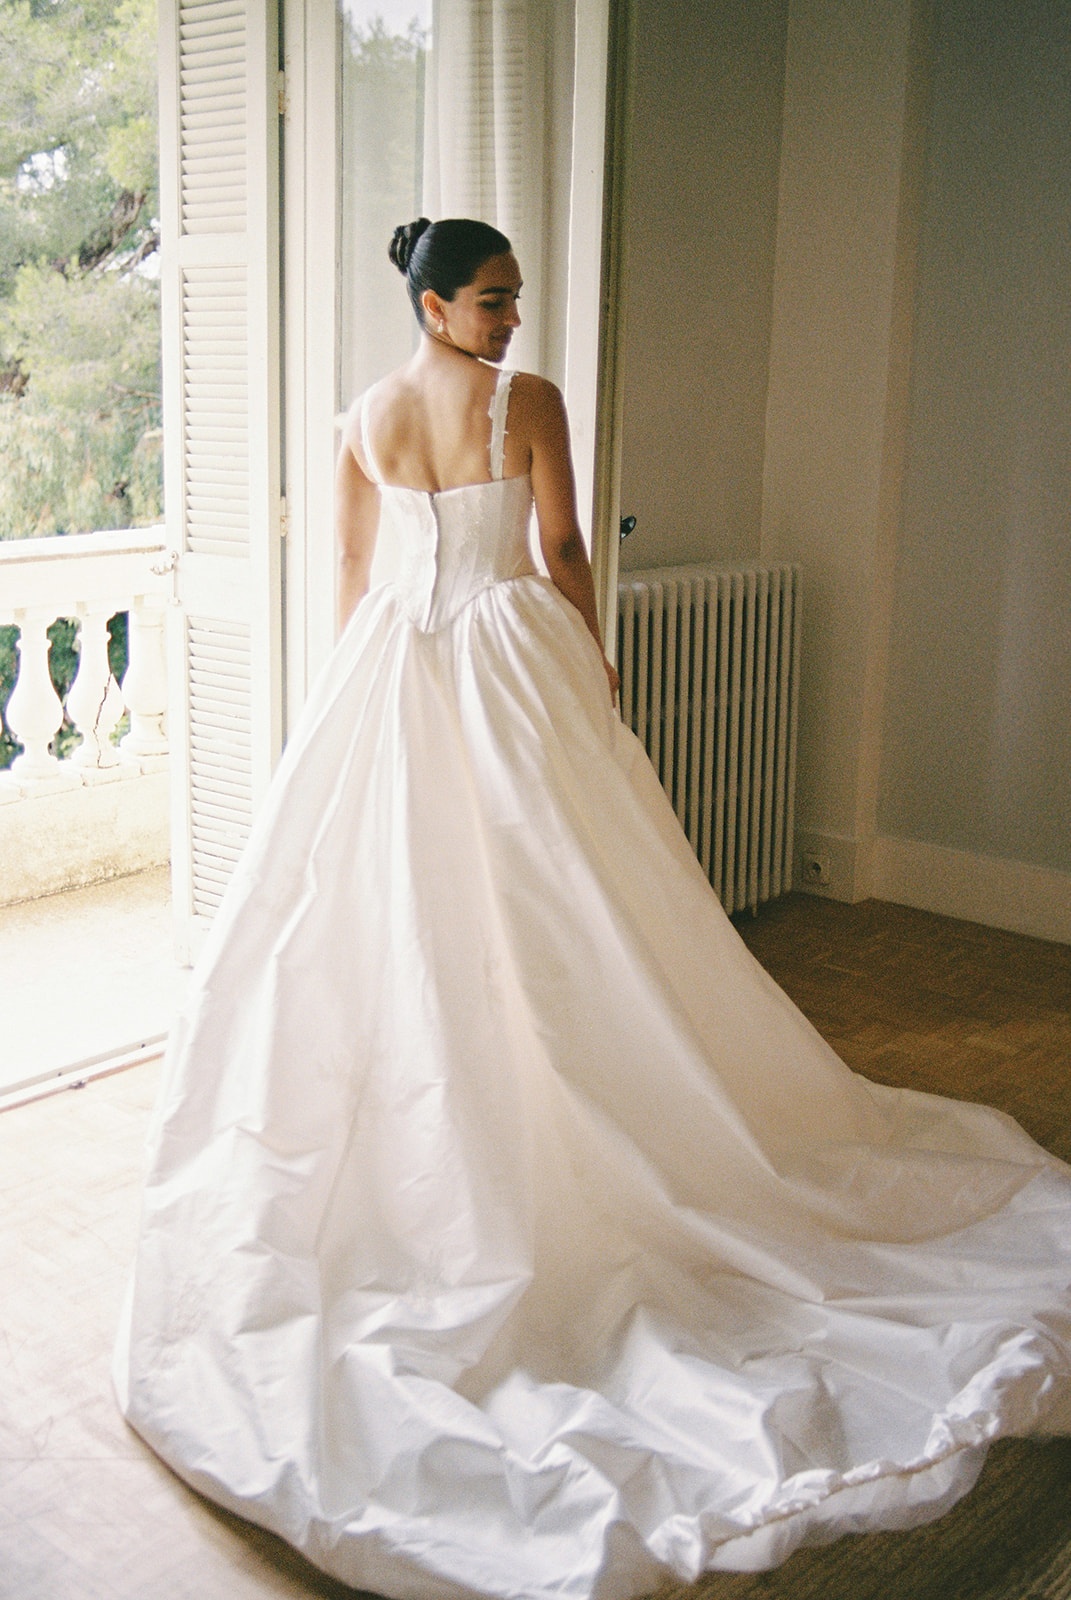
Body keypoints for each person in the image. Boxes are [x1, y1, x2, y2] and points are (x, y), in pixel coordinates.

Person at [115, 217, 1071, 1600]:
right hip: (501, 659)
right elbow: (561, 546)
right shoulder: (526, 405)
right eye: (491, 300)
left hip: (394, 666)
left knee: (434, 922)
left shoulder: (366, 416)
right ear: (433, 304)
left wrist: (354, 698)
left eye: (517, 302)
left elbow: (348, 577)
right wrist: (593, 671)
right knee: (564, 910)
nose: (512, 320)